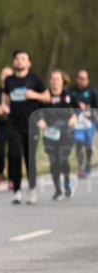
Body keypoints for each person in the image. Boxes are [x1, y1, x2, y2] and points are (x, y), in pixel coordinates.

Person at [2, 49, 49, 204]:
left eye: (23, 58)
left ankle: (32, 189)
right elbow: (5, 95)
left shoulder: (35, 79)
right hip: (13, 123)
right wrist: (4, 105)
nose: (20, 61)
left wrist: (34, 95)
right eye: (17, 58)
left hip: (31, 123)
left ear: (29, 62)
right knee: (14, 155)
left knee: (30, 157)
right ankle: (16, 190)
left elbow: (47, 96)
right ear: (14, 62)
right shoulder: (9, 80)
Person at [38, 70, 76, 200]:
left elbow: (79, 110)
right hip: (50, 132)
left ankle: (67, 182)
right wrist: (40, 120)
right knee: (53, 160)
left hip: (66, 132)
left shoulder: (69, 96)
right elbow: (37, 111)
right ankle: (58, 189)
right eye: (52, 79)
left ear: (62, 81)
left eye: (57, 79)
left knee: (62, 158)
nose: (55, 81)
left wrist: (74, 117)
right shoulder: (45, 96)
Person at [69, 68, 97, 178]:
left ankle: (88, 164)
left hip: (90, 122)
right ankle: (81, 167)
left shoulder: (92, 91)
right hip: (78, 122)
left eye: (85, 79)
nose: (83, 81)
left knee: (88, 146)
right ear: (77, 79)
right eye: (81, 78)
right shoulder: (71, 92)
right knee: (79, 143)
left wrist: (89, 109)